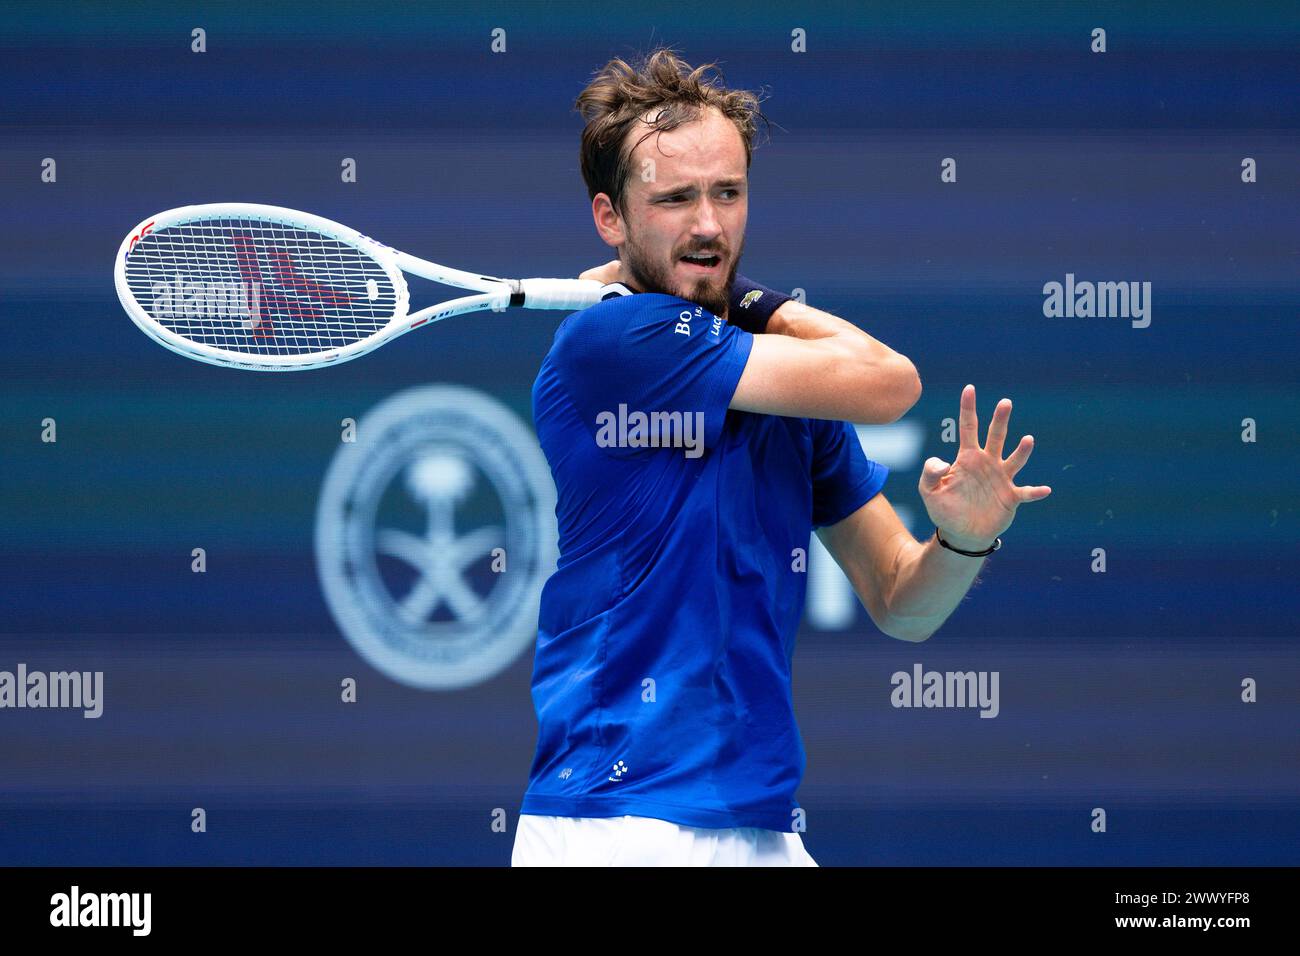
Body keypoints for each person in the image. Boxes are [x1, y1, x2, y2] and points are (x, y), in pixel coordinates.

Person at [513, 48, 1051, 866]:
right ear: (609, 217)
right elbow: (892, 382)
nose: (708, 225)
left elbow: (902, 601)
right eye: (675, 199)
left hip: (761, 825)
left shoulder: (782, 391)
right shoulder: (614, 339)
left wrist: (965, 539)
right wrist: (758, 302)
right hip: (616, 824)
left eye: (728, 193)